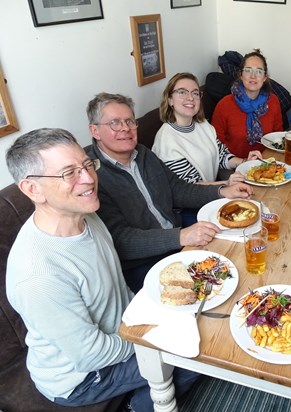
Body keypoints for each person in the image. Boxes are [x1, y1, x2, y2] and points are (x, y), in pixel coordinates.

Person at [5, 128, 199, 411]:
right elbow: (91, 355)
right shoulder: (38, 274)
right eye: (69, 173)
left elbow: (118, 288)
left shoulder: (87, 214)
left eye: (87, 165)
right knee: (194, 357)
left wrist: (157, 314)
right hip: (81, 377)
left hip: (124, 327)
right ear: (32, 189)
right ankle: (137, 406)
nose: (89, 179)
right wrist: (153, 339)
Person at [86, 93, 253, 292]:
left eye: (130, 121)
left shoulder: (143, 154)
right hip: (143, 263)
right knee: (217, 287)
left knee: (241, 255)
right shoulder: (90, 175)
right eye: (114, 123)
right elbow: (120, 240)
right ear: (94, 130)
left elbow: (178, 189)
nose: (125, 128)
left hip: (176, 237)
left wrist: (222, 191)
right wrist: (180, 237)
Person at [152, 72, 262, 186]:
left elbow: (222, 156)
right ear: (170, 100)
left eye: (195, 93)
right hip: (192, 201)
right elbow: (189, 188)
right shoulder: (166, 140)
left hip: (214, 192)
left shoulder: (203, 124)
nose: (190, 98)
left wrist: (245, 162)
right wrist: (227, 183)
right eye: (182, 92)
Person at [211, 49, 284, 158]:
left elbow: (278, 137)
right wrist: (241, 163)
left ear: (265, 77)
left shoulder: (273, 101)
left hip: (266, 163)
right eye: (248, 70)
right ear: (241, 74)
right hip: (233, 165)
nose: (253, 76)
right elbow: (216, 144)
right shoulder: (224, 105)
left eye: (259, 71)